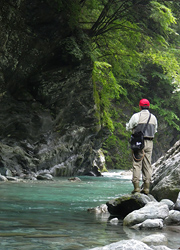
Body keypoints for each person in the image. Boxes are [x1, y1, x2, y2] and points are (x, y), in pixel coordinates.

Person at [126, 99, 158, 195]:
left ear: (139, 106)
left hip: (138, 143)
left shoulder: (136, 116)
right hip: (149, 143)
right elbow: (155, 130)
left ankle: (136, 188)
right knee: (147, 165)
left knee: (137, 164)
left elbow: (128, 128)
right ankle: (146, 188)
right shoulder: (153, 117)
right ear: (148, 107)